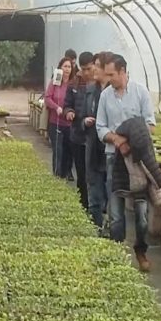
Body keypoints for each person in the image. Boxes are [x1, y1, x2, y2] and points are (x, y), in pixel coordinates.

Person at [96, 54, 156, 272]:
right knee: (116, 211)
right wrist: (117, 140)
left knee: (141, 212)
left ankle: (141, 251)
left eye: (112, 74)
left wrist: (130, 139)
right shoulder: (105, 96)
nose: (109, 78)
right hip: (114, 157)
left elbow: (150, 125)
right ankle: (117, 253)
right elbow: (100, 127)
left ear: (122, 71)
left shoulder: (140, 93)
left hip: (137, 160)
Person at [82, 52, 112, 232]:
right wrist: (84, 121)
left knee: (110, 197)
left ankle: (109, 231)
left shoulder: (113, 93)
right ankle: (96, 231)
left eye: (97, 65)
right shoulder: (90, 91)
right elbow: (81, 114)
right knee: (93, 196)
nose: (94, 68)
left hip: (109, 151)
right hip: (93, 150)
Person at [63, 52, 94, 211]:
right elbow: (67, 104)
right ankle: (84, 205)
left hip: (94, 138)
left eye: (89, 68)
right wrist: (69, 112)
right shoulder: (74, 85)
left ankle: (96, 205)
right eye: (83, 69)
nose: (86, 73)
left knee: (93, 174)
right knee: (81, 174)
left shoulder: (99, 86)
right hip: (77, 135)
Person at [44, 57, 74, 178]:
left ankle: (67, 172)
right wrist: (56, 107)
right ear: (60, 68)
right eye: (65, 66)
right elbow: (47, 97)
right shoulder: (55, 82)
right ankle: (57, 174)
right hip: (55, 122)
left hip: (69, 123)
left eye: (69, 67)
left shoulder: (73, 84)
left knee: (68, 150)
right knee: (58, 150)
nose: (67, 69)